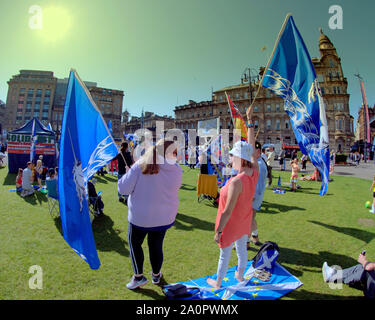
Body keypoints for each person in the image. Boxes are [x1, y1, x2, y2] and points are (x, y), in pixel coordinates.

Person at [118, 139, 183, 290]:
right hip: (163, 216)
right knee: (156, 245)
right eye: (175, 152)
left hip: (141, 217)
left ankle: (139, 277)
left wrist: (128, 174)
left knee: (135, 244)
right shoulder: (176, 169)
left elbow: (123, 189)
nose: (177, 155)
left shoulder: (141, 165)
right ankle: (155, 275)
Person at [206, 105, 259, 289]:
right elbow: (251, 150)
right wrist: (250, 121)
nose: (230, 159)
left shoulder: (237, 182)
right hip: (244, 220)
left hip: (231, 223)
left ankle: (218, 283)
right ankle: (239, 274)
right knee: (242, 251)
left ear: (239, 158)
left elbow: (227, 211)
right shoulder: (254, 171)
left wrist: (218, 231)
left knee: (225, 255)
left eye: (232, 156)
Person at [248, 141, 268, 248]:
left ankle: (245, 243)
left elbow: (258, 185)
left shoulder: (259, 165)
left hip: (254, 196)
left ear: (258, 151)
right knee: (251, 218)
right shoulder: (259, 162)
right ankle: (255, 237)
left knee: (248, 219)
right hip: (256, 196)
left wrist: (252, 197)